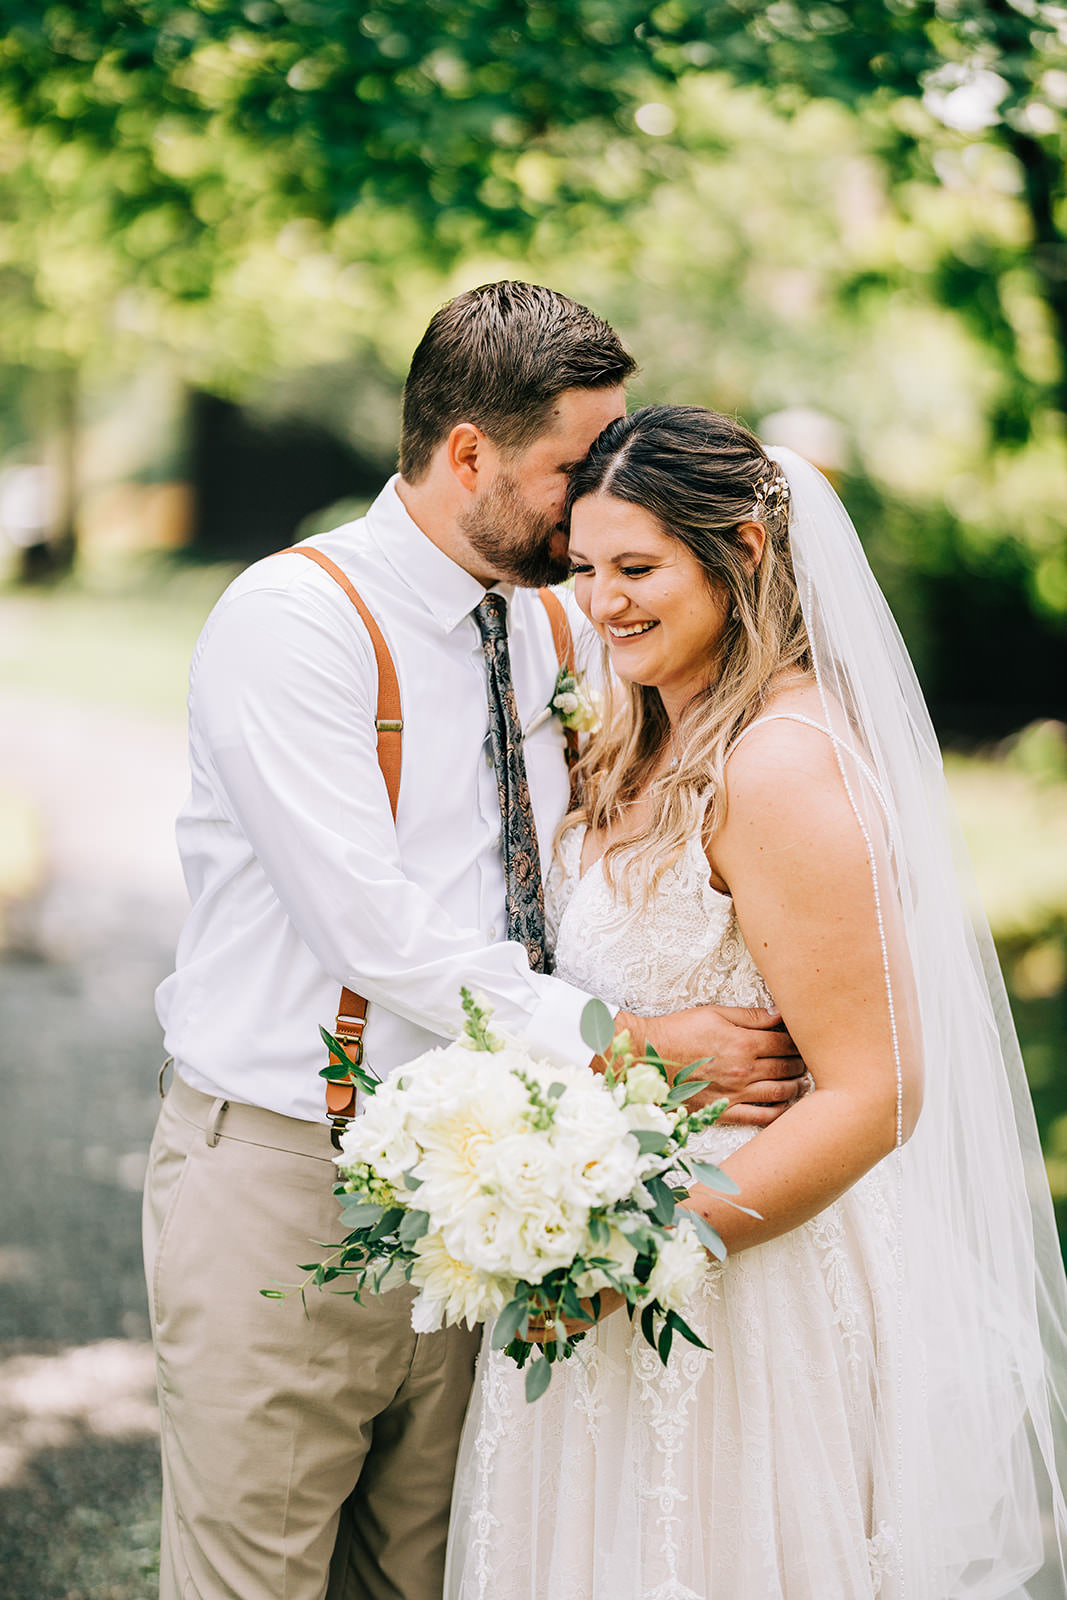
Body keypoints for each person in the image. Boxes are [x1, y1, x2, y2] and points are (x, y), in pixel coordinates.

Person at [141, 289, 808, 1600]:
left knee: (451, 1574)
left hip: (505, 1195)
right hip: (289, 1182)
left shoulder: (563, 620)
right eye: (575, 464)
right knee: (256, 1578)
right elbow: (375, 932)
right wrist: (627, 1046)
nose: (600, 498)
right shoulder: (296, 624)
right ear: (466, 455)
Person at [445, 406, 1067, 1600]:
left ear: (741, 550)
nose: (602, 602)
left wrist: (632, 1257)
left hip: (738, 1287)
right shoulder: (639, 730)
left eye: (637, 568)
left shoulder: (780, 764)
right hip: (612, 1265)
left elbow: (876, 1094)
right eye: (584, 570)